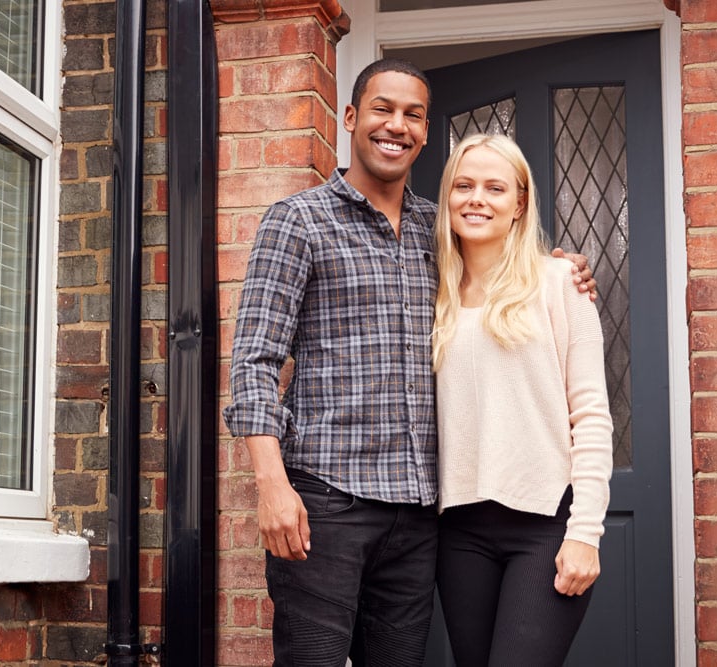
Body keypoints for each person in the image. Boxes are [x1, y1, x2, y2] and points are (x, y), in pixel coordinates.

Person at [223, 58, 595, 666]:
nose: (396, 126)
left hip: (420, 517)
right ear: (350, 117)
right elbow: (255, 362)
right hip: (327, 503)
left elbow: (503, 273)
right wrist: (271, 486)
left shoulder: (438, 230)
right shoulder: (299, 222)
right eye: (382, 109)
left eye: (413, 115)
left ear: (425, 133)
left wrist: (560, 272)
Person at [431, 133, 613, 666]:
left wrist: (585, 532)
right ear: (447, 198)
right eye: (463, 186)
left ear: (520, 203)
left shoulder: (559, 282)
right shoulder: (431, 289)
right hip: (458, 529)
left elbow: (592, 417)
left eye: (494, 187)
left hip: (545, 524)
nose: (476, 199)